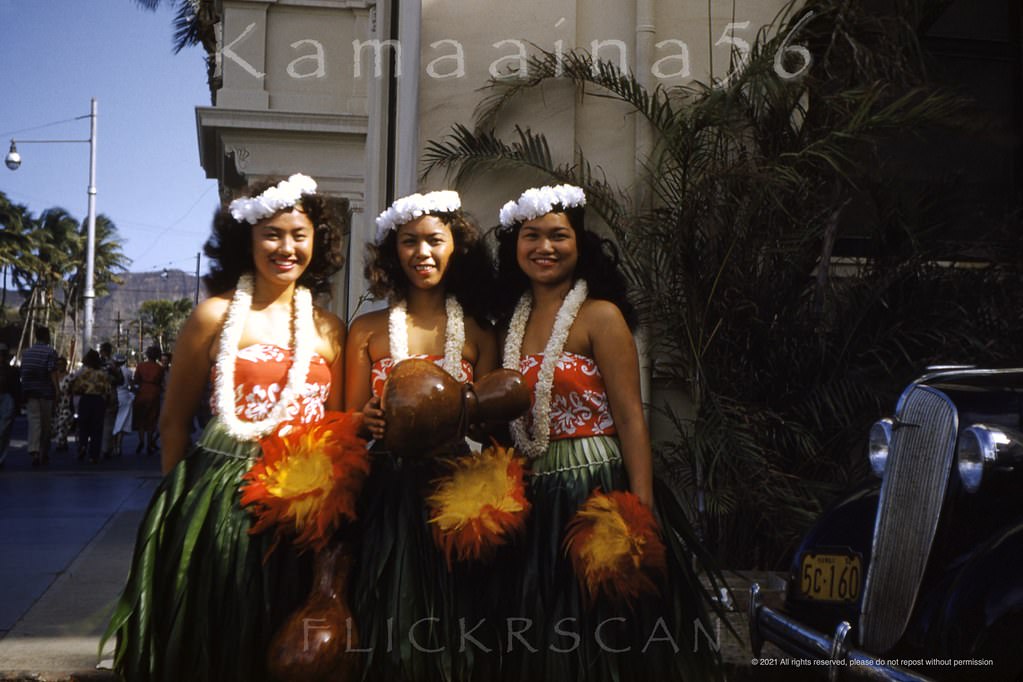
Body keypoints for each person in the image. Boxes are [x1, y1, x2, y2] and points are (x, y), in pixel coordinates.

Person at [102, 173, 351, 681]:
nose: (287, 247)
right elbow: (173, 423)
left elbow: (339, 422)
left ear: (316, 242)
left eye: (299, 235)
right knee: (226, 632)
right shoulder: (212, 316)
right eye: (272, 234)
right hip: (221, 499)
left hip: (305, 507)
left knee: (288, 634)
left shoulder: (329, 328)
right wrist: (176, 513)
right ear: (248, 240)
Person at [495, 185, 719, 681]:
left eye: (558, 236)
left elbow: (632, 418)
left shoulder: (601, 316)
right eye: (532, 236)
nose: (544, 247)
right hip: (534, 494)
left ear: (580, 244)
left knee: (600, 633)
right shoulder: (510, 322)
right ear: (515, 245)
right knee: (540, 632)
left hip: (593, 482)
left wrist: (640, 510)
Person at [344, 190, 498, 681]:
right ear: (393, 253)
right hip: (384, 492)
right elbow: (342, 419)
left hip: (457, 492)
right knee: (385, 619)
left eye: (434, 239)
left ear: (457, 247)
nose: (422, 253)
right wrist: (364, 418)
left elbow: (491, 424)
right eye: (408, 242)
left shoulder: (479, 332)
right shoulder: (366, 330)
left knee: (453, 624)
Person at [20, 325, 58, 467]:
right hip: (45, 393)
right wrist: (57, 391)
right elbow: (52, 373)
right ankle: (43, 453)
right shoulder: (50, 352)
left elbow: (23, 372)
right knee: (46, 425)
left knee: (34, 422)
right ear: (47, 336)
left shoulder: (27, 353)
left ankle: (34, 451)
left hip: (30, 393)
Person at [71, 349, 115, 464]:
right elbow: (108, 390)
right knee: (97, 429)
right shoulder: (102, 374)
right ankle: (93, 455)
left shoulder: (83, 373)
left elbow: (75, 388)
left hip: (85, 400)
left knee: (83, 425)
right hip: (98, 401)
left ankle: (83, 445)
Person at [131, 345, 164, 455]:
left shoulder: (141, 366)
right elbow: (161, 381)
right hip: (154, 392)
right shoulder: (159, 368)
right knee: (152, 419)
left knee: (141, 418)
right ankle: (150, 443)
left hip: (142, 391)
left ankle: (141, 441)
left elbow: (136, 380)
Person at [99, 341, 123, 458]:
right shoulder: (114, 365)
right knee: (109, 423)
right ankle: (106, 448)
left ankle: (99, 447)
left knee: (99, 423)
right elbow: (121, 380)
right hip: (111, 395)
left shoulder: (97, 364)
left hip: (99, 395)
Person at [0, 343, 21, 468]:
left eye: (3, 355)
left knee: (4, 430)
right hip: (7, 398)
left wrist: (17, 403)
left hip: (8, 399)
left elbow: (16, 388)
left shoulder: (12, 371)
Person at [111, 354, 134, 457]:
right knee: (121, 423)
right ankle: (119, 446)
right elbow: (132, 384)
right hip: (125, 397)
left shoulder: (111, 371)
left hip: (114, 395)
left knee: (112, 422)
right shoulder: (128, 372)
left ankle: (113, 445)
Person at [54, 356, 74, 452]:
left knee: (62, 423)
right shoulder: (54, 377)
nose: (60, 366)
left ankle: (59, 443)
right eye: (58, 364)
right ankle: (63, 442)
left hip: (67, 404)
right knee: (57, 424)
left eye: (62, 364)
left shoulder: (70, 377)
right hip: (56, 404)